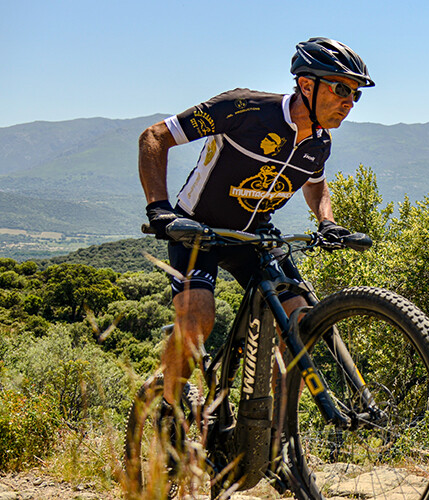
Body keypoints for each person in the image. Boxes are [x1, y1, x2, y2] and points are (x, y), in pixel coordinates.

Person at [137, 37, 373, 408]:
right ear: (306, 85)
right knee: (197, 318)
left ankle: (275, 441)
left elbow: (316, 183)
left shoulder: (319, 142)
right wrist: (159, 209)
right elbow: (154, 137)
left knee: (299, 323)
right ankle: (167, 406)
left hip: (255, 237)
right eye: (341, 88)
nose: (349, 102)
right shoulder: (242, 109)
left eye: (355, 94)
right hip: (199, 230)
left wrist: (327, 221)